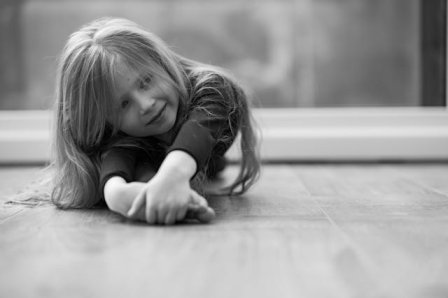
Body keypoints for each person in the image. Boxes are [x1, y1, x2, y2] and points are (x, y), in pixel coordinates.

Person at [46, 17, 260, 225]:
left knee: (201, 159)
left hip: (209, 161)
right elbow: (114, 166)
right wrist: (119, 196)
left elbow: (201, 128)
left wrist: (172, 176)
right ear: (107, 123)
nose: (146, 104)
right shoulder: (123, 139)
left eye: (146, 81)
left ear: (163, 63)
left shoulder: (211, 89)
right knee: (139, 162)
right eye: (123, 104)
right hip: (159, 161)